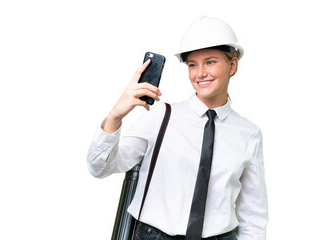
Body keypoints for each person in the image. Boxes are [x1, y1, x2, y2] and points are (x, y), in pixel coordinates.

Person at [87, 16, 268, 240]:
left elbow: (253, 215)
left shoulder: (248, 134)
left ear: (232, 65)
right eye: (193, 64)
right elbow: (99, 167)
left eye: (210, 62)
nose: (200, 73)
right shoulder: (161, 116)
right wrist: (115, 115)